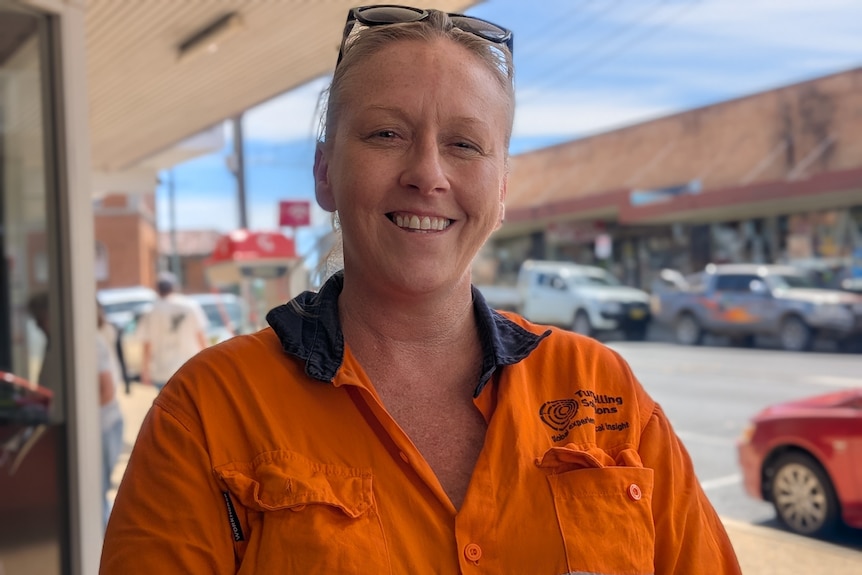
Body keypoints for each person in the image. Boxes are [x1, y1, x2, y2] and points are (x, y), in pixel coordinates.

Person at [101, 6, 741, 574]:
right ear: (325, 172)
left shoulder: (603, 389)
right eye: (386, 134)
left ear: (501, 191)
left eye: (464, 144)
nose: (427, 174)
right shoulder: (208, 413)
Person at [136, 271, 208, 393]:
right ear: (174, 287)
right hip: (189, 366)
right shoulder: (191, 306)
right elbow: (201, 337)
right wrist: (207, 363)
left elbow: (147, 344)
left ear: (157, 290)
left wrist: (145, 370)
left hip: (162, 370)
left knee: (168, 408)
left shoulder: (150, 311)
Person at [97, 302, 125, 529]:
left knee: (98, 489)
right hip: (106, 422)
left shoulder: (92, 340)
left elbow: (106, 390)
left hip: (103, 424)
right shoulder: (103, 331)